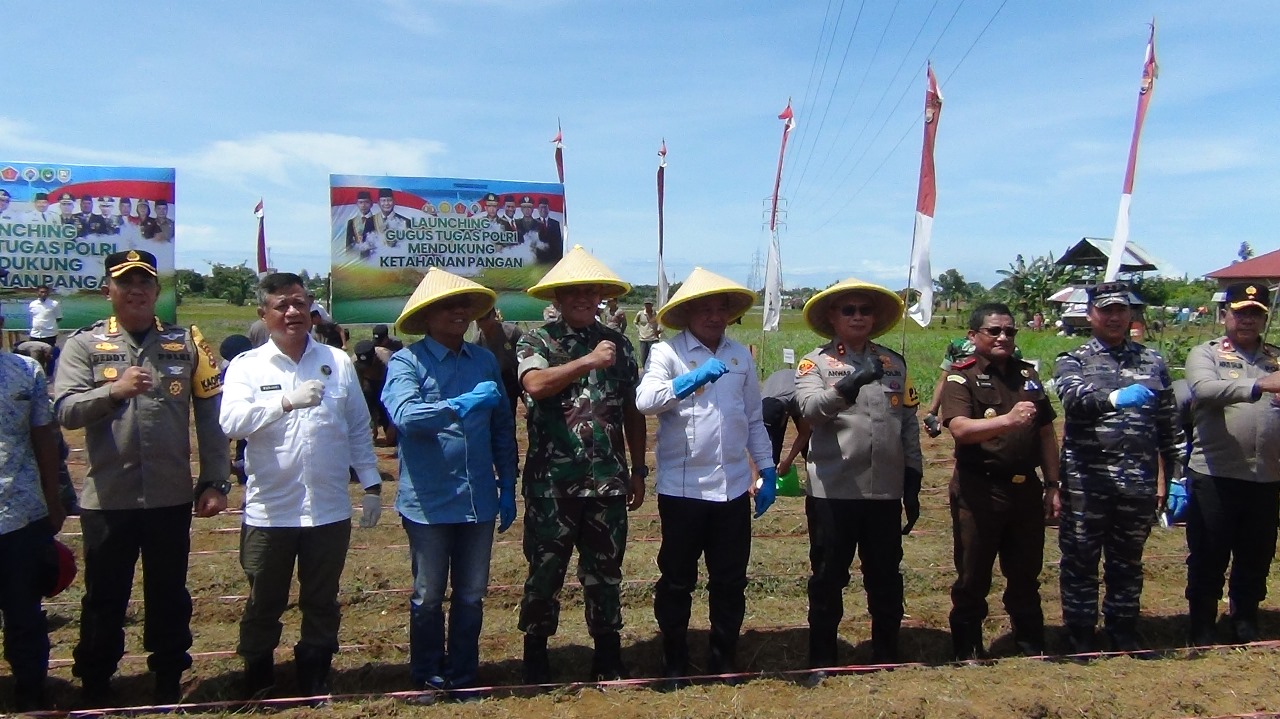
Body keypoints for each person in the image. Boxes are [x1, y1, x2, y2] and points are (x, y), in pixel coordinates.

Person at [53, 249, 229, 706]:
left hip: (169, 498)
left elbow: (211, 418)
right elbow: (66, 409)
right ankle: (94, 682)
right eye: (126, 282)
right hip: (107, 498)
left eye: (145, 283)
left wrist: (216, 479)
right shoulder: (83, 345)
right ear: (108, 290)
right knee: (104, 596)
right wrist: (114, 391)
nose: (136, 290)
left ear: (157, 291)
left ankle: (169, 679)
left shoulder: (186, 343)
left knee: (168, 594)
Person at [218, 272, 383, 699]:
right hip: (271, 510)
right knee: (263, 601)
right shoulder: (247, 366)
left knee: (322, 600)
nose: (292, 312)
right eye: (281, 305)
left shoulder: (337, 361)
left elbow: (357, 428)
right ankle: (258, 674)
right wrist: (284, 402)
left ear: (310, 308)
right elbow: (230, 422)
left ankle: (315, 672)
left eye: (299, 303)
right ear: (264, 314)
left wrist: (370, 485)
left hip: (328, 508)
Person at [380, 268, 519, 691]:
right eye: (448, 305)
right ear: (426, 316)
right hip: (429, 501)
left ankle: (463, 671)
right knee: (427, 595)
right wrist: (460, 404)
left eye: (464, 306)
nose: (459, 312)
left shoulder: (483, 361)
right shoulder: (407, 362)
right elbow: (405, 417)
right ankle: (426, 674)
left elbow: (501, 426)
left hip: (478, 497)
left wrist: (508, 484)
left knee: (472, 594)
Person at [636, 268, 776, 680]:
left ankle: (723, 655)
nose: (714, 317)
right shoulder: (667, 353)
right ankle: (674, 655)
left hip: (733, 487)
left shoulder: (740, 356)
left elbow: (753, 418)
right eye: (705, 309)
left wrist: (765, 468)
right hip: (682, 488)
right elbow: (645, 401)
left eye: (721, 310)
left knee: (730, 579)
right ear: (688, 313)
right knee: (677, 578)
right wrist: (691, 378)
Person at [516, 245, 647, 683]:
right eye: (574, 291)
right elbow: (535, 385)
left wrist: (638, 470)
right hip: (552, 484)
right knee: (545, 570)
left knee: (606, 571)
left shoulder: (622, 346)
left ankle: (608, 655)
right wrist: (587, 361)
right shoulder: (536, 340)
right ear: (558, 297)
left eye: (591, 292)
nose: (583, 298)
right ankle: (535, 655)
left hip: (607, 482)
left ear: (601, 298)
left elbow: (632, 408)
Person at [793, 277, 922, 668]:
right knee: (829, 577)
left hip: (884, 491)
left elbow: (909, 423)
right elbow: (810, 411)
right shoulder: (814, 363)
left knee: (885, 576)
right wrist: (848, 385)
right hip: (834, 490)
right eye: (848, 310)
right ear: (832, 317)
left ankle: (885, 652)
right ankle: (823, 657)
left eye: (865, 310)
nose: (858, 316)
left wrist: (913, 479)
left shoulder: (893, 363)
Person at [1053, 281, 1182, 653]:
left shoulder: (1152, 361)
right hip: (1085, 483)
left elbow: (1168, 425)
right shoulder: (1073, 359)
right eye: (1105, 310)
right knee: (1079, 560)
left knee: (1127, 562)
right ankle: (1079, 630)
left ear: (1130, 315)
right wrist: (1114, 398)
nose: (1114, 317)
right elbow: (1074, 399)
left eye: (1120, 310)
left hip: (1138, 484)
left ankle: (1122, 628)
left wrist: (1175, 477)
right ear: (1090, 314)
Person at [939, 302, 1061, 659]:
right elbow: (960, 429)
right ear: (973, 336)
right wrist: (1007, 420)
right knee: (973, 573)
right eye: (994, 331)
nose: (1003, 337)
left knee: (1025, 573)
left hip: (1026, 490)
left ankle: (1029, 640)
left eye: (1009, 331)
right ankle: (968, 646)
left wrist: (1053, 484)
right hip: (981, 490)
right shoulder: (962, 377)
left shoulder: (1027, 376)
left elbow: (1046, 434)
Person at [1182, 282, 1280, 645]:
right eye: (1240, 312)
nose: (1247, 320)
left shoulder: (1275, 357)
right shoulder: (1206, 354)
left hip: (1266, 476)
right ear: (1225, 315)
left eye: (1256, 314)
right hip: (1216, 473)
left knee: (1256, 553)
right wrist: (1261, 386)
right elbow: (1204, 389)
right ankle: (1202, 621)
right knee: (1209, 551)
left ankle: (1245, 617)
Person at [0, 313, 67, 712]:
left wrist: (55, 499)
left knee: (24, 611)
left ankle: (31, 690)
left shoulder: (26, 370)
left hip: (20, 513)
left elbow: (45, 438)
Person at [924, 337, 1023, 439]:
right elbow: (945, 378)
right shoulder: (958, 346)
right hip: (969, 400)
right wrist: (932, 412)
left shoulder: (1007, 348)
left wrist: (932, 411)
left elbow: (1018, 378)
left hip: (999, 399)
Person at [475, 306, 524, 422]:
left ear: (493, 315)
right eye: (479, 320)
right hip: (501, 380)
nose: (483, 323)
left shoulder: (512, 332)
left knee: (535, 411)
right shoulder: (477, 341)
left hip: (519, 373)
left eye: (485, 318)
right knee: (507, 415)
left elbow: (526, 354)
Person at [761, 368, 811, 480]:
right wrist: (754, 481)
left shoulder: (800, 399)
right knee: (774, 442)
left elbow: (804, 434)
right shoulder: (761, 402)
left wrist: (788, 461)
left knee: (808, 445)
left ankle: (813, 480)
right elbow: (756, 443)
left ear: (786, 415)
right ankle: (771, 477)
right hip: (778, 388)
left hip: (798, 391)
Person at [353, 340, 397, 447]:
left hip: (386, 383)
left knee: (393, 439)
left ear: (374, 356)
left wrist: (393, 424)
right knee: (367, 397)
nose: (367, 368)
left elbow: (396, 393)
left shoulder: (388, 360)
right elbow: (356, 392)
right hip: (368, 383)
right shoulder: (352, 362)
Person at [533, 197, 564, 264]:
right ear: (538, 209)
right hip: (538, 259)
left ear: (548, 209)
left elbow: (558, 243)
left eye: (545, 207)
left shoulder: (555, 224)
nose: (543, 210)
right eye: (541, 207)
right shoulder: (534, 223)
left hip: (552, 259)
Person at [346, 190, 377, 255]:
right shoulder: (351, 222)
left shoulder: (377, 220)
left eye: (366, 202)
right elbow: (348, 244)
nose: (363, 205)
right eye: (361, 202)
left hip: (374, 256)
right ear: (357, 204)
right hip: (356, 258)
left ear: (371, 204)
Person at [634, 300, 663, 369]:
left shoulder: (656, 314)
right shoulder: (640, 314)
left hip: (653, 339)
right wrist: (639, 329)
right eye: (646, 304)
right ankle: (645, 371)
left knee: (654, 357)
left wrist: (659, 331)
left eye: (649, 304)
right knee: (643, 358)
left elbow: (662, 323)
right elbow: (635, 322)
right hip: (643, 339)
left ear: (652, 305)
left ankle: (654, 370)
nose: (647, 306)